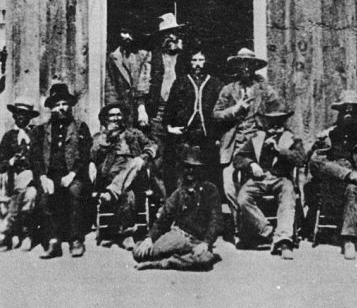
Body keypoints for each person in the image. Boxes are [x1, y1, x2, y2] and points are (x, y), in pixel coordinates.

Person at [307, 90, 357, 260]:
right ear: (339, 113)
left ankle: (349, 240)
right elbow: (311, 161)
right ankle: (352, 175)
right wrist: (317, 142)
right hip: (332, 184)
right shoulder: (329, 134)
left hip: (356, 186)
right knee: (317, 162)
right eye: (345, 111)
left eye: (352, 111)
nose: (348, 115)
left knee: (353, 188)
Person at [213, 47, 281, 241]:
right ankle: (238, 229)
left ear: (254, 67)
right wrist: (235, 109)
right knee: (229, 186)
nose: (245, 68)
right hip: (233, 147)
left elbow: (278, 113)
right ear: (236, 66)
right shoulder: (228, 89)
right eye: (241, 64)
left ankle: (258, 229)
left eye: (249, 64)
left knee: (254, 186)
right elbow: (216, 115)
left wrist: (270, 135)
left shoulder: (265, 89)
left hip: (257, 147)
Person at [133, 145, 223, 271]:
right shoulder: (179, 193)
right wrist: (149, 238)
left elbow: (216, 221)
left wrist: (206, 243)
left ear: (200, 170)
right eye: (187, 167)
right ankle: (172, 257)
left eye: (194, 168)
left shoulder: (210, 190)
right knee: (139, 252)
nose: (190, 171)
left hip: (197, 242)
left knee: (205, 259)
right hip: (178, 237)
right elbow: (163, 220)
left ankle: (161, 263)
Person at [234, 100, 305, 259]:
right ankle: (269, 232)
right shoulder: (256, 138)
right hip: (259, 179)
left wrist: (280, 150)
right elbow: (238, 158)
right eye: (271, 123)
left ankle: (285, 240)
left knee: (288, 195)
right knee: (243, 198)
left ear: (284, 122)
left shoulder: (291, 138)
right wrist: (251, 164)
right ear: (266, 122)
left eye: (278, 123)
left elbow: (301, 160)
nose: (274, 127)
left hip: (281, 178)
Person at [30, 83, 92, 259]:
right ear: (51, 108)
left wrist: (72, 174)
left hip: (74, 175)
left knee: (74, 191)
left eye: (64, 103)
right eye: (57, 105)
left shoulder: (80, 127)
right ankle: (52, 242)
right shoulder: (40, 130)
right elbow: (35, 157)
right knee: (44, 196)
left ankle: (76, 240)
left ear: (70, 105)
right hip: (50, 175)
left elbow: (85, 155)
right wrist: (42, 177)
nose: (61, 108)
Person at [91, 102, 158, 250]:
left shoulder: (134, 134)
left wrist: (144, 156)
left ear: (123, 117)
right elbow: (94, 157)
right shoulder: (100, 137)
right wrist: (107, 141)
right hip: (111, 175)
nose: (115, 118)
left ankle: (112, 193)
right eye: (112, 115)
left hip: (135, 172)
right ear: (106, 118)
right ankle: (127, 234)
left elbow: (153, 145)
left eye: (118, 114)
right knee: (129, 194)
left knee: (135, 162)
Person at [163, 48, 223, 189]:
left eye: (200, 60)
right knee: (183, 172)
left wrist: (217, 135)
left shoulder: (216, 84)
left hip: (206, 136)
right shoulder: (181, 82)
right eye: (194, 60)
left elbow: (221, 111)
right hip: (185, 136)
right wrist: (170, 127)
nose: (197, 64)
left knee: (206, 174)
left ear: (206, 62)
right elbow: (170, 108)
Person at [146, 13, 185, 197]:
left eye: (175, 33)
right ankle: (163, 202)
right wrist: (141, 108)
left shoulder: (184, 59)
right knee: (157, 161)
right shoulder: (152, 58)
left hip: (178, 114)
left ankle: (179, 203)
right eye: (167, 34)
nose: (171, 37)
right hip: (158, 114)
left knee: (180, 160)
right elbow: (142, 84)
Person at [0, 100, 39, 251]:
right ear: (14, 116)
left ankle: (9, 232)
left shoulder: (36, 134)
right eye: (18, 113)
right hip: (12, 180)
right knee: (28, 194)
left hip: (33, 179)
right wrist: (11, 161)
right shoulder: (8, 136)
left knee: (31, 188)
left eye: (25, 114)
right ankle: (22, 234)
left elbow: (41, 159)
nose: (21, 117)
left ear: (29, 117)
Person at [104, 25, 151, 130]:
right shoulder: (113, 57)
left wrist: (141, 107)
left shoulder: (144, 55)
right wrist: (114, 109)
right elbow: (110, 85)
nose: (127, 36)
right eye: (124, 32)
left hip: (142, 106)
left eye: (130, 33)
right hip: (122, 106)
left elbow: (144, 81)